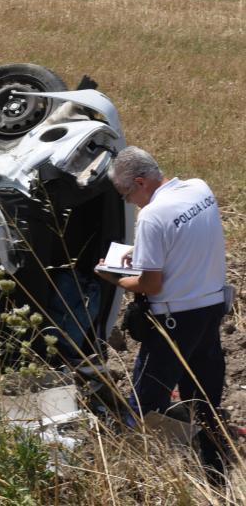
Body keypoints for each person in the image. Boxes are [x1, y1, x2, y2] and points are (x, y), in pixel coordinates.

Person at [95, 146, 228, 483]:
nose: (128, 201)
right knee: (203, 396)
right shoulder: (200, 189)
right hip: (210, 310)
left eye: (126, 193)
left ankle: (126, 476)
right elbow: (185, 243)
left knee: (144, 400)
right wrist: (142, 254)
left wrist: (112, 276)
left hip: (174, 322)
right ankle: (215, 470)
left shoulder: (152, 216)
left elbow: (150, 285)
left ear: (141, 182)